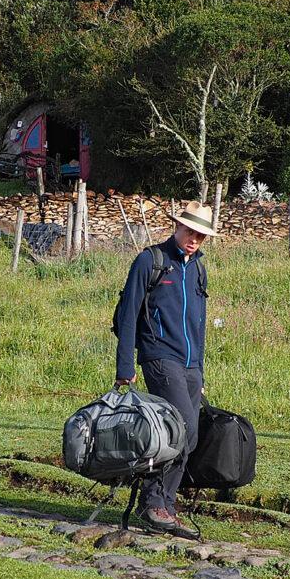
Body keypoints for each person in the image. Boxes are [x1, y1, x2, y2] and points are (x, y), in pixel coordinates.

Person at [111, 200, 215, 539]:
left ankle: (166, 505)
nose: (194, 239)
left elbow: (198, 324)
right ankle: (152, 502)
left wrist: (199, 373)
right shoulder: (150, 261)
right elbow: (128, 316)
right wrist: (125, 365)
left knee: (192, 434)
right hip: (158, 358)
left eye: (201, 235)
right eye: (190, 231)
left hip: (189, 365)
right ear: (177, 226)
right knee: (179, 428)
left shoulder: (198, 269)